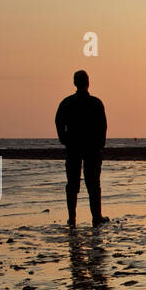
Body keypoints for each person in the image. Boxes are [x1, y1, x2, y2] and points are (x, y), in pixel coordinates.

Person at [54, 70, 109, 227]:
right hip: (90, 148)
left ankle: (73, 219)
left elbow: (58, 122)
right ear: (88, 82)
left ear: (74, 83)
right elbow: (103, 126)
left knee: (73, 184)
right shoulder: (95, 103)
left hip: (75, 147)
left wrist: (64, 139)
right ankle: (96, 218)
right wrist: (100, 144)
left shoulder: (67, 102)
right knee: (92, 184)